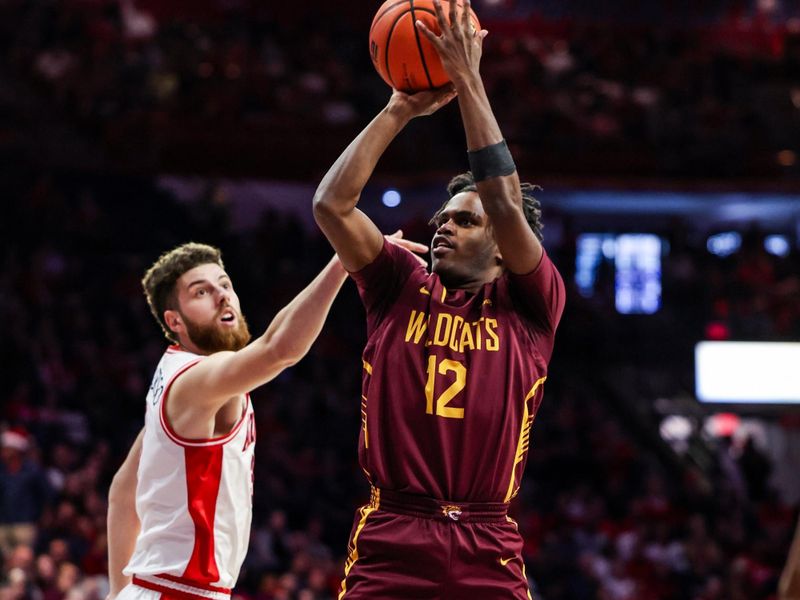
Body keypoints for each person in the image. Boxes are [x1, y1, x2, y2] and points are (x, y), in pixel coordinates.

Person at [312, 1, 565, 597]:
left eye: (464, 222)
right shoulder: (398, 282)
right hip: (393, 532)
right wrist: (398, 108)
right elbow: (330, 206)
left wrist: (469, 78)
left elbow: (503, 203)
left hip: (487, 539)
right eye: (442, 218)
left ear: (504, 248)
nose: (441, 228)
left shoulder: (532, 304)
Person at [106, 238, 426, 600]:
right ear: (174, 320)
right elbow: (279, 349)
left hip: (158, 589)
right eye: (201, 292)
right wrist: (343, 262)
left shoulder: (172, 372)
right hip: (180, 591)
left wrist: (121, 593)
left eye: (224, 284)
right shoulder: (195, 381)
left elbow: (122, 490)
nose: (222, 296)